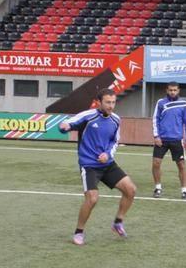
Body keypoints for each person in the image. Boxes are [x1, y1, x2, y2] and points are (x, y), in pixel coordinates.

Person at [59, 88, 137, 245]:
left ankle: (118, 222)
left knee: (131, 189)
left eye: (113, 102)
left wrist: (108, 154)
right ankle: (79, 232)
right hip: (89, 165)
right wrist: (64, 126)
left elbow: (115, 141)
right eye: (107, 102)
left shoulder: (116, 119)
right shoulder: (87, 116)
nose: (111, 106)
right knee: (92, 199)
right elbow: (69, 123)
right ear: (98, 102)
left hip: (107, 164)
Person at [151, 82, 186, 199]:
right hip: (162, 140)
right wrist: (156, 136)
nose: (172, 92)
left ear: (178, 91)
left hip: (177, 140)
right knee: (156, 163)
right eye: (170, 90)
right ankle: (158, 188)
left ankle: (184, 191)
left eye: (175, 90)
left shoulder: (184, 105)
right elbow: (155, 119)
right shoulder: (160, 103)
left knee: (181, 165)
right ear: (167, 90)